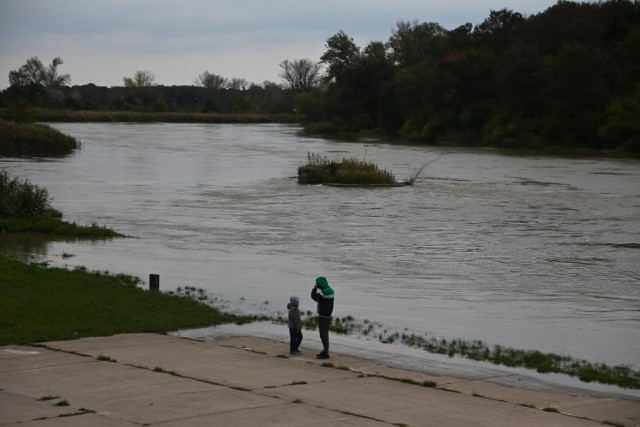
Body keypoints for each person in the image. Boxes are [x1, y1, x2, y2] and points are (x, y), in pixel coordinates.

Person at [311, 276, 334, 359]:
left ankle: (326, 352)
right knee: (325, 334)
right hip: (328, 316)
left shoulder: (324, 292)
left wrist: (315, 287)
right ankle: (325, 350)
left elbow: (313, 296)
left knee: (323, 335)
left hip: (323, 317)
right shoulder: (331, 291)